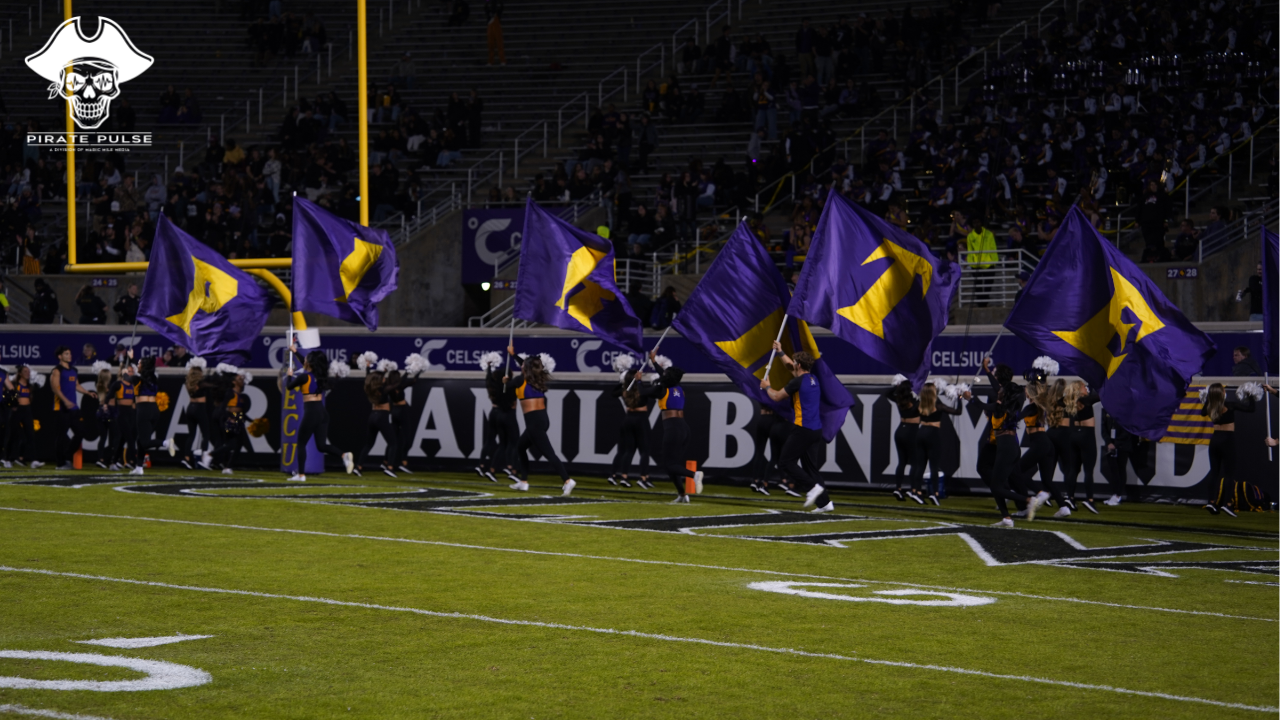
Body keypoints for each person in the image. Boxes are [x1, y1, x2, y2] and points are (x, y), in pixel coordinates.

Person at [760, 344, 831, 512]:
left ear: (798, 365)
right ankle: (825, 503)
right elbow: (791, 366)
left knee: (785, 462)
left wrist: (767, 387)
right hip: (815, 430)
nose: (792, 364)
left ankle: (812, 489)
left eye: (794, 362)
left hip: (803, 429)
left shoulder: (797, 382)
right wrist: (780, 352)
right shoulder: (813, 379)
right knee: (811, 468)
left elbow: (776, 397)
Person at [979, 358, 1049, 526]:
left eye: (1001, 391)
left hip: (1006, 447)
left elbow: (981, 403)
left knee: (1000, 484)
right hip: (1008, 446)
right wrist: (987, 371)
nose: (998, 392)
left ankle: (1028, 500)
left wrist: (968, 396)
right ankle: (1007, 517)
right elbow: (999, 390)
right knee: (1002, 482)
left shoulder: (1001, 406)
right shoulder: (1009, 402)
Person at [503, 346, 576, 495]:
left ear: (526, 367)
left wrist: (505, 381)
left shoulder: (519, 380)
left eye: (523, 364)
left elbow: (505, 387)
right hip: (541, 419)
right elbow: (527, 364)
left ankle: (567, 481)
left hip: (534, 423)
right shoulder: (537, 378)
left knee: (549, 454)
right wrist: (513, 355)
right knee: (520, 447)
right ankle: (523, 482)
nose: (521, 364)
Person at [285, 346, 355, 482]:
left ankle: (301, 475)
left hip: (311, 412)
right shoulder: (320, 376)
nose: (304, 359)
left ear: (309, 363)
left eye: (306, 359)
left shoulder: (304, 377)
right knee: (321, 446)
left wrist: (289, 375)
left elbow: (289, 386)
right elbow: (305, 364)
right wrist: (295, 352)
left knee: (300, 444)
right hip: (322, 412)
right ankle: (344, 455)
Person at [1200, 383, 1259, 516]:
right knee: (1229, 474)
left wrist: (1208, 398)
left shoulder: (1210, 407)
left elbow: (1202, 412)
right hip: (1227, 441)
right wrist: (1251, 395)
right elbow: (1251, 409)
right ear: (1222, 394)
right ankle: (1227, 504)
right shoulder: (1230, 405)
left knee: (1214, 472)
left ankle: (1211, 501)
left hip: (1214, 441)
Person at [650, 355, 701, 503]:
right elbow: (665, 376)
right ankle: (682, 495)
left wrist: (639, 381)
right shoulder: (679, 388)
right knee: (672, 465)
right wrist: (654, 362)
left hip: (673, 428)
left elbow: (644, 392)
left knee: (669, 465)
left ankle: (694, 475)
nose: (663, 374)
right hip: (684, 428)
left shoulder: (663, 390)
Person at [906, 381, 964, 505]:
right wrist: (959, 398)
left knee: (920, 465)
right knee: (934, 466)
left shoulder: (919, 405)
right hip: (933, 434)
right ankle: (934, 494)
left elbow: (910, 411)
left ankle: (916, 492)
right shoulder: (938, 405)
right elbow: (958, 412)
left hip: (920, 433)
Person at [50, 346, 97, 469]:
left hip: (74, 408)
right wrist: (65, 401)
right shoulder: (57, 370)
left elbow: (76, 385)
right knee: (61, 436)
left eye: (70, 353)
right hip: (61, 408)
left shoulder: (74, 370)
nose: (69, 356)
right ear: (60, 356)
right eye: (66, 354)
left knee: (81, 432)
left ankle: (66, 457)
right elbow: (55, 388)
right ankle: (60, 464)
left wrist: (87, 393)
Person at [609, 366, 653, 489]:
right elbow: (646, 393)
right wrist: (639, 381)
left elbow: (613, 393)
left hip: (628, 419)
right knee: (645, 451)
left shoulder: (625, 390)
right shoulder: (640, 389)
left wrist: (622, 381)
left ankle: (624, 477)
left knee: (629, 450)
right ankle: (643, 478)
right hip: (641, 419)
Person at [1062, 379, 1101, 513]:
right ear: (1079, 389)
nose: (1087, 389)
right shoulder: (1086, 401)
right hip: (1086, 436)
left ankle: (1070, 497)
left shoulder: (1068, 402)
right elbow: (1102, 395)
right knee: (1088, 470)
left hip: (1072, 436)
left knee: (1073, 469)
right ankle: (1090, 500)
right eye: (1084, 387)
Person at [354, 364, 399, 478]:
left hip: (372, 416)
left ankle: (358, 466)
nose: (385, 378)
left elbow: (368, 377)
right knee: (393, 443)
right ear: (380, 380)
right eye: (383, 377)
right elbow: (396, 384)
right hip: (382, 417)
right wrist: (409, 372)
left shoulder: (371, 388)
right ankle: (390, 467)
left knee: (369, 444)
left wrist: (370, 368)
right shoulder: (383, 389)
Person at [476, 352, 516, 482]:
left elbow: (488, 378)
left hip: (493, 413)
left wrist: (488, 367)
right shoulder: (505, 387)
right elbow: (509, 401)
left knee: (490, 440)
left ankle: (482, 465)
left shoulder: (492, 385)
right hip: (503, 414)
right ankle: (508, 467)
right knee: (508, 442)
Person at [171, 359, 217, 470]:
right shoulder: (201, 383)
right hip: (199, 409)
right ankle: (203, 459)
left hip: (190, 408)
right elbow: (213, 386)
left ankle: (186, 458)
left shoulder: (189, 382)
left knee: (191, 435)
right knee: (206, 434)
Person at [884, 376, 920, 501]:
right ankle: (913, 490)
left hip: (900, 431)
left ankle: (898, 489)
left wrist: (897, 386)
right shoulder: (915, 402)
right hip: (912, 432)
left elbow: (886, 393)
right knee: (915, 463)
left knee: (902, 462)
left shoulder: (899, 399)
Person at [128, 356, 162, 475]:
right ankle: (139, 467)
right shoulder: (153, 378)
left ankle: (166, 443)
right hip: (154, 410)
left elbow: (125, 378)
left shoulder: (137, 379)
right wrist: (132, 360)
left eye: (139, 363)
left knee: (145, 442)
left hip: (144, 409)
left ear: (144, 366)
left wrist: (127, 364)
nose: (137, 365)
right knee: (140, 440)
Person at [212, 370, 252, 474]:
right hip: (231, 418)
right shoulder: (230, 392)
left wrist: (252, 421)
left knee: (238, 444)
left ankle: (227, 467)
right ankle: (210, 455)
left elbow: (241, 411)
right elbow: (223, 408)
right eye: (239, 379)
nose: (242, 380)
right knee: (232, 444)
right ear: (234, 382)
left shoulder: (240, 394)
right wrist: (228, 418)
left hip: (238, 418)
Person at [385, 367, 420, 474]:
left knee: (393, 439)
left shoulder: (388, 386)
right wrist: (416, 371)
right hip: (403, 411)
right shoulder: (399, 386)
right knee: (408, 438)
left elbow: (408, 380)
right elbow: (410, 381)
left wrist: (413, 372)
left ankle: (386, 462)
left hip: (394, 411)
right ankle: (403, 462)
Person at [5, 366, 41, 468]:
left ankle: (34, 460)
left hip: (27, 410)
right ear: (20, 373)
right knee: (12, 435)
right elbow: (9, 396)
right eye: (25, 371)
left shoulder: (30, 385)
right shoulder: (15, 384)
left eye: (28, 371)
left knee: (31, 435)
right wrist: (12, 405)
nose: (27, 373)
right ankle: (7, 459)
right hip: (16, 411)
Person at [484, 0, 505, 66]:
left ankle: (502, 60)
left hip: (496, 28)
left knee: (499, 45)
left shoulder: (497, 12)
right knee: (491, 45)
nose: (493, 7)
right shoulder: (490, 12)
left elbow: (501, 8)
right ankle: (491, 61)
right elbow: (485, 8)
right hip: (491, 27)